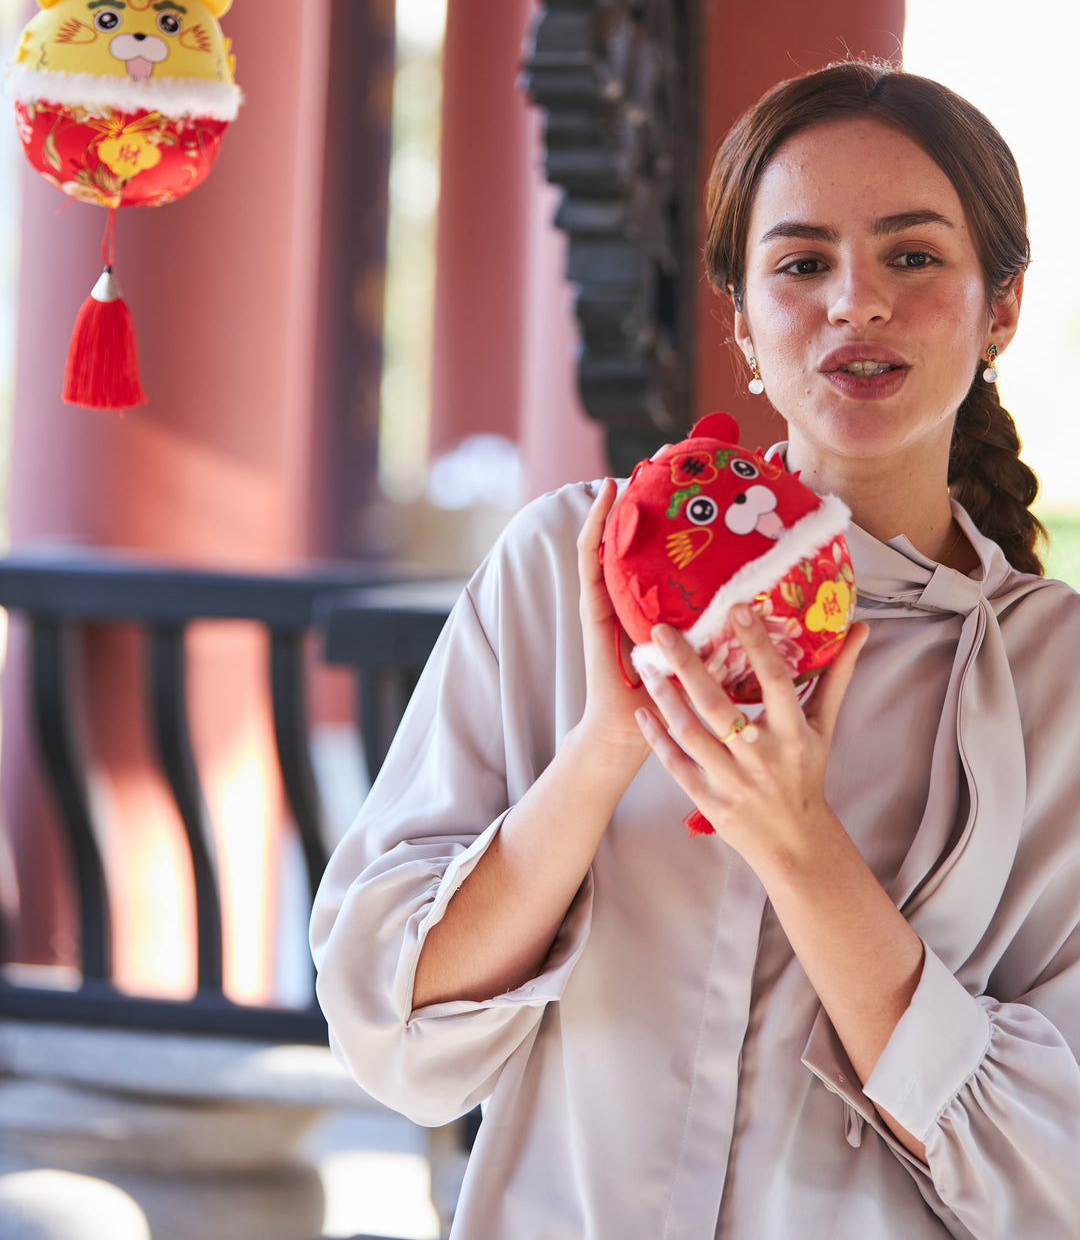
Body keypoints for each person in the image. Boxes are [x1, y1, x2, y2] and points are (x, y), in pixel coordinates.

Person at [310, 61, 1080, 1239]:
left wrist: (801, 845)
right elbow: (389, 1032)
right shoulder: (568, 563)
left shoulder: (1053, 677)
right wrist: (609, 742)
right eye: (801, 262)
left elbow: (1052, 1176)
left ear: (1002, 308)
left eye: (914, 257)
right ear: (743, 321)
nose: (855, 302)